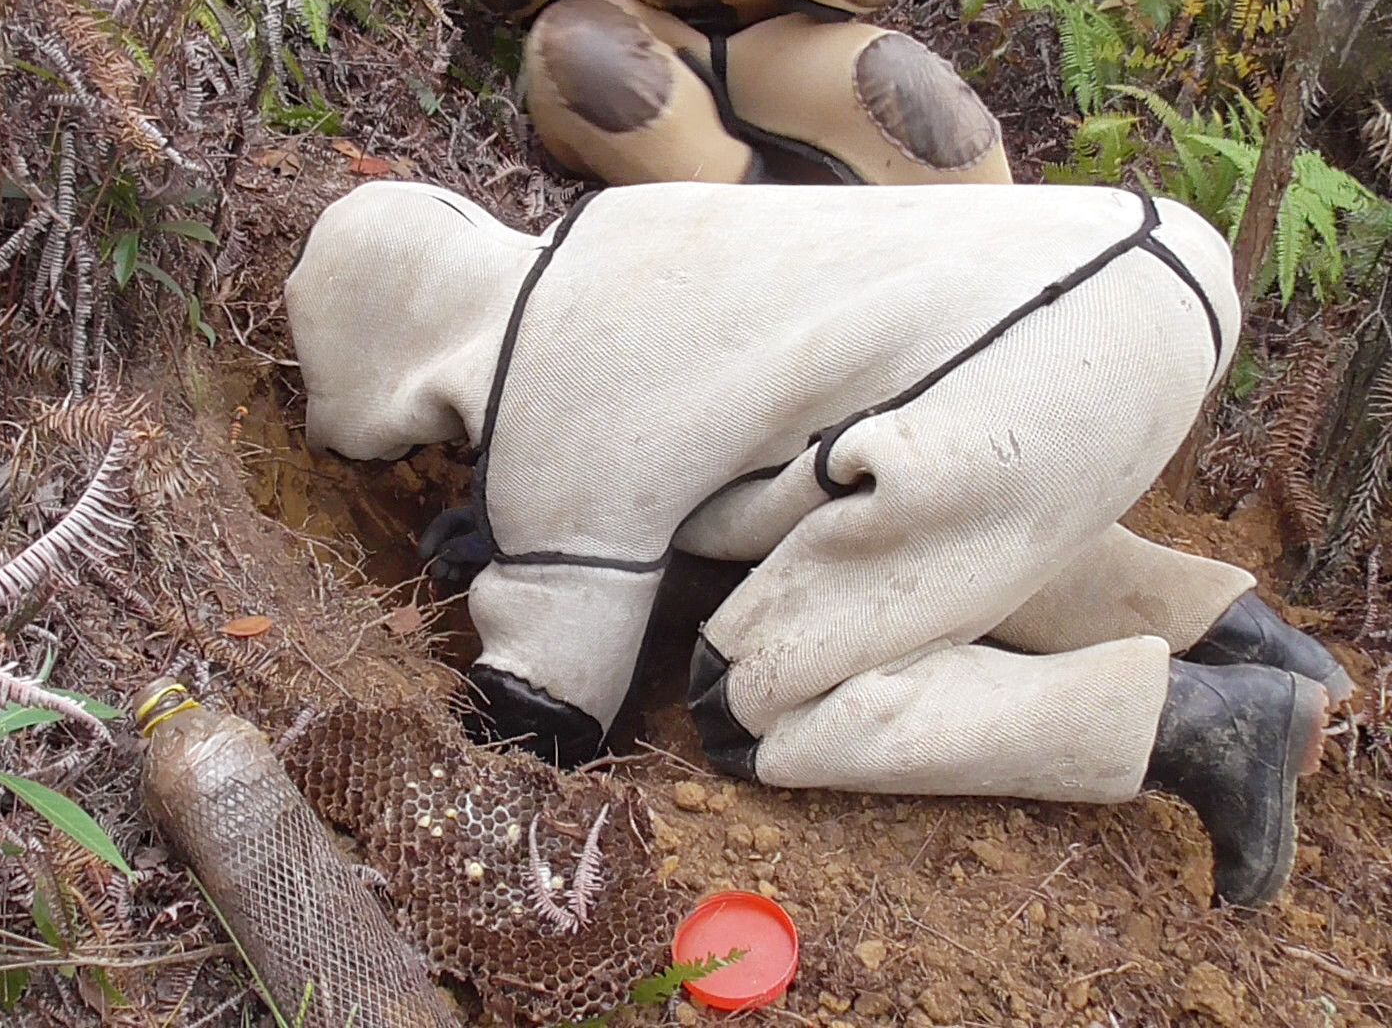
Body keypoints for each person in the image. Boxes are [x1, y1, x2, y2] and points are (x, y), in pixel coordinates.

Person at [283, 178, 1353, 909]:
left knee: (758, 699)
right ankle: (1250, 641)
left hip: (1048, 359)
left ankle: (1206, 724)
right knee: (967, 518)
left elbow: (556, 701)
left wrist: (477, 720)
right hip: (1147, 269)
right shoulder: (619, 226)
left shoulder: (546, 395)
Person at [440, 0, 1013, 186]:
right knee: (587, 61)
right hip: (628, 30)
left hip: (782, 48)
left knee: (917, 99)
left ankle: (1021, 279)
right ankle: (757, 250)